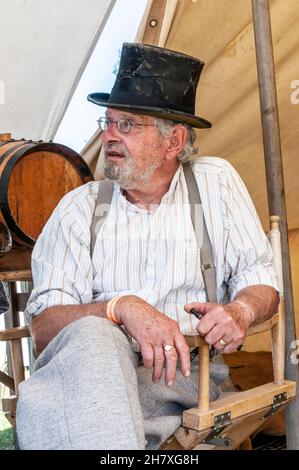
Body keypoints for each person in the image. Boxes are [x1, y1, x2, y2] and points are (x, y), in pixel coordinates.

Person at [16, 43, 279, 450]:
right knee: (94, 338)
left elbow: (262, 282)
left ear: (173, 140)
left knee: (71, 425)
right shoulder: (78, 209)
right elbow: (44, 331)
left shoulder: (216, 185)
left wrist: (239, 311)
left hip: (188, 379)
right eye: (108, 122)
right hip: (92, 379)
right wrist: (119, 307)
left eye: (127, 125)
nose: (107, 136)